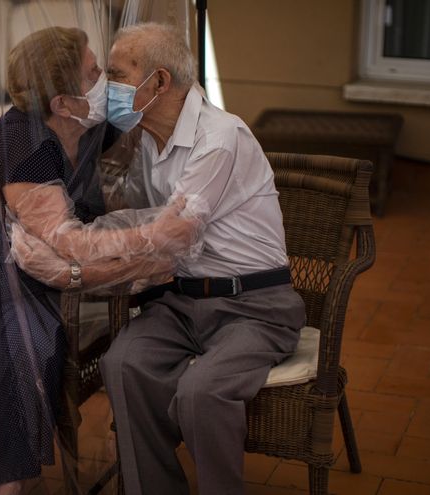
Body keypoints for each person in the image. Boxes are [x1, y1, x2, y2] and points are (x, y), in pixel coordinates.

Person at [0, 26, 196, 495]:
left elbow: (148, 106)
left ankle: (3, 481)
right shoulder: (24, 147)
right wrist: (155, 237)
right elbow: (69, 243)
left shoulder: (82, 126)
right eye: (93, 73)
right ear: (62, 102)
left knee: (15, 384)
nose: (104, 78)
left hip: (20, 287)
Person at [96, 23, 307, 495]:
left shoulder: (221, 136)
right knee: (123, 365)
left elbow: (174, 233)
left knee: (201, 393)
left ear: (159, 82)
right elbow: (131, 219)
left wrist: (81, 261)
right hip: (180, 303)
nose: (106, 88)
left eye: (115, 74)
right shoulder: (147, 142)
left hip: (255, 306)